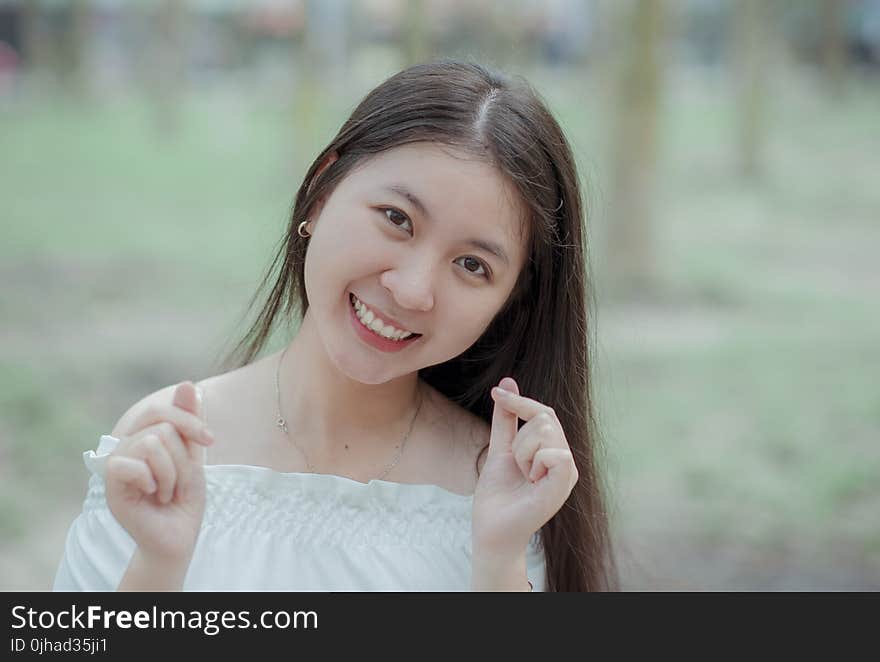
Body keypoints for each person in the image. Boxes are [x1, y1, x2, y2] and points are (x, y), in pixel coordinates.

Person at [53, 59, 616, 592]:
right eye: (397, 219)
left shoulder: (503, 488)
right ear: (323, 191)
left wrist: (498, 561)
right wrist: (158, 565)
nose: (413, 289)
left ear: (511, 300)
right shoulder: (165, 447)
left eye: (472, 265)